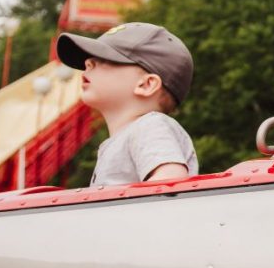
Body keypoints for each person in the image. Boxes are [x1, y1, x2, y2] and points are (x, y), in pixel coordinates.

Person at [56, 21, 198, 187]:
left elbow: (170, 181)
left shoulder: (150, 126)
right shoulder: (124, 139)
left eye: (104, 58)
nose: (88, 62)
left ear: (146, 85)